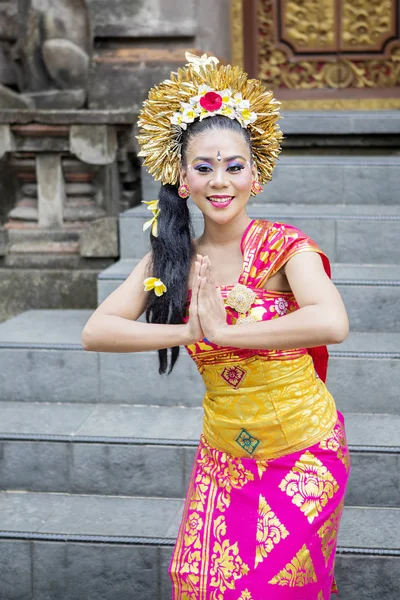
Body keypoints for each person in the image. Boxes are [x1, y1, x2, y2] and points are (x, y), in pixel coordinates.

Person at [81, 53, 351, 600]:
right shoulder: (172, 258)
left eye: (233, 166)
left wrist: (226, 334)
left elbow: (332, 322)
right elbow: (97, 330)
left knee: (269, 587)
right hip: (224, 454)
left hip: (303, 450)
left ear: (256, 174)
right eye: (204, 167)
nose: (220, 180)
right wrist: (188, 333)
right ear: (183, 180)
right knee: (200, 584)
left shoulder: (285, 247)